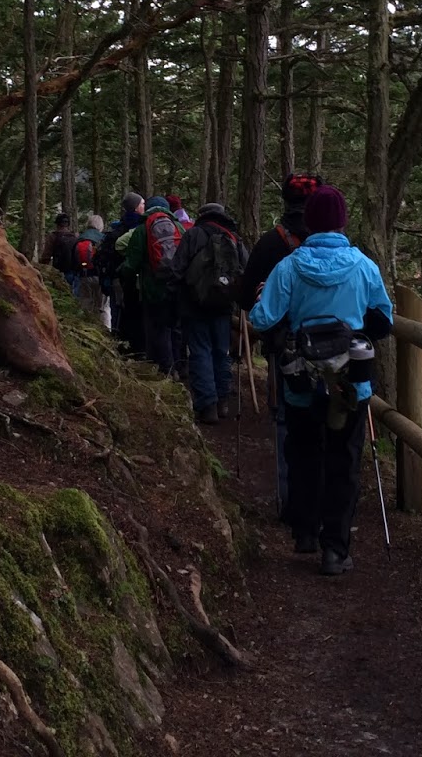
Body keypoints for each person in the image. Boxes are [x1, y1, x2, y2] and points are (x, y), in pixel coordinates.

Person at [248, 184, 392, 576]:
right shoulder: (364, 266)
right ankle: (335, 549)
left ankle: (305, 532)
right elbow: (383, 320)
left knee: (304, 452)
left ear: (310, 222)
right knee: (343, 459)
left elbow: (261, 320)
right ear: (343, 222)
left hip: (301, 379)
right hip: (350, 383)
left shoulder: (290, 266)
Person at [236, 172, 320, 518]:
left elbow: (244, 299)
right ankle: (326, 507)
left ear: (285, 201)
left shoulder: (271, 243)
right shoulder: (338, 245)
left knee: (287, 423)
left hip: (284, 350)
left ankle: (292, 503)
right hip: (335, 354)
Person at [170, 202, 248, 425]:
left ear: (202, 216)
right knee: (221, 352)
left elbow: (177, 268)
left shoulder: (193, 234)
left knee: (200, 351)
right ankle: (223, 400)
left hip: (194, 304)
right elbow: (245, 268)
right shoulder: (233, 238)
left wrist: (174, 296)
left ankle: (207, 405)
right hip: (224, 306)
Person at [122, 195, 184, 376]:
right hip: (176, 287)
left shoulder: (142, 230)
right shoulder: (178, 227)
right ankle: (179, 366)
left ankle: (165, 369)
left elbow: (131, 263)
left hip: (152, 288)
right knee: (176, 329)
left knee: (158, 328)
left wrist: (126, 277)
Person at [98, 193, 146, 355]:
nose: (144, 207)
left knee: (118, 312)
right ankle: (132, 347)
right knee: (129, 312)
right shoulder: (139, 228)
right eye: (142, 204)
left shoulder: (116, 229)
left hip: (117, 279)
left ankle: (121, 345)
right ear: (136, 207)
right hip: (127, 279)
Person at [75, 213, 108, 325]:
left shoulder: (80, 238)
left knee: (85, 301)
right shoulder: (103, 238)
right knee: (101, 306)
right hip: (99, 276)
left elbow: (73, 258)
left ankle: (85, 325)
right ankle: (103, 328)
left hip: (84, 275)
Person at [41, 211, 80, 295]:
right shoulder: (75, 236)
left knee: (61, 295)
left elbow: (46, 255)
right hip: (74, 271)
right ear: (68, 224)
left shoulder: (53, 236)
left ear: (57, 224)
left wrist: (42, 268)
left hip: (58, 271)